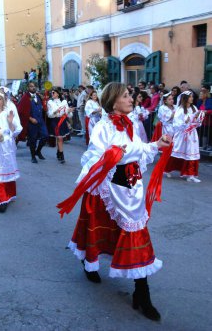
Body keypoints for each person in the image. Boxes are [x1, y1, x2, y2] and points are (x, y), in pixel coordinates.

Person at [57, 82, 171, 321]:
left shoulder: (133, 123)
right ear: (113, 101)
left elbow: (137, 149)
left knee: (135, 233)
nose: (132, 99)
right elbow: (97, 156)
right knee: (100, 230)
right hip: (107, 188)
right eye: (127, 96)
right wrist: (116, 155)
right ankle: (91, 264)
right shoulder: (102, 126)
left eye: (131, 95)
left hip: (130, 187)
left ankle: (142, 293)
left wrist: (156, 145)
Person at [164, 91, 204, 182]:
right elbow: (177, 124)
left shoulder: (194, 108)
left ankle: (190, 174)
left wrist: (198, 117)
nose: (192, 98)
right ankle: (167, 169)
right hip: (182, 134)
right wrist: (186, 122)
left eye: (192, 97)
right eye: (190, 97)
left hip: (192, 134)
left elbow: (197, 122)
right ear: (186, 98)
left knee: (191, 152)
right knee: (177, 151)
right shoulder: (180, 109)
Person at [17, 82, 49, 163]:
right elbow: (21, 111)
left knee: (45, 136)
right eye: (31, 86)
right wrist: (30, 118)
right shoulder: (25, 97)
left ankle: (38, 151)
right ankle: (33, 156)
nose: (33, 88)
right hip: (32, 122)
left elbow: (41, 106)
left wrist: (45, 107)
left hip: (40, 120)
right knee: (33, 139)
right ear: (28, 87)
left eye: (34, 86)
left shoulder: (38, 96)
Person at [47, 88, 74, 163]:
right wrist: (54, 112)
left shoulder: (64, 102)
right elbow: (49, 114)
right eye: (51, 93)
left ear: (58, 94)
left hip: (62, 120)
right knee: (59, 137)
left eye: (53, 93)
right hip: (54, 121)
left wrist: (69, 111)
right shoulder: (50, 102)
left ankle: (59, 152)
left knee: (60, 138)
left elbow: (69, 114)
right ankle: (61, 155)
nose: (52, 94)